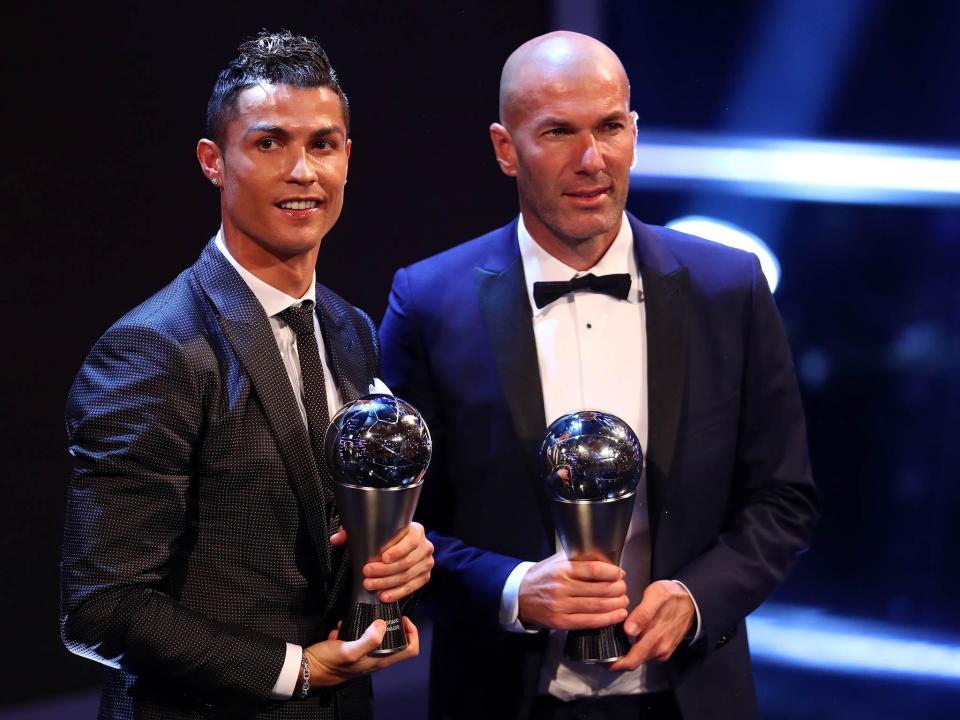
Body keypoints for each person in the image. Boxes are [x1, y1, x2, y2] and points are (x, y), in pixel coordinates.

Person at [379, 31, 818, 720]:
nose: (592, 160)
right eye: (558, 131)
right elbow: (397, 527)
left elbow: (782, 499)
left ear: (634, 132)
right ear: (504, 148)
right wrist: (513, 588)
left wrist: (698, 598)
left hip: (690, 697)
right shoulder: (429, 302)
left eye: (610, 127)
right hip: (502, 698)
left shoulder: (728, 289)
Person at [61, 31, 433, 720]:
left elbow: (328, 541)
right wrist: (296, 669)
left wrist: (397, 555)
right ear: (214, 161)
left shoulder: (350, 329)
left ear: (347, 158)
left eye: (322, 144)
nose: (302, 171)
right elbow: (101, 605)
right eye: (270, 143)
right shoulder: (152, 348)